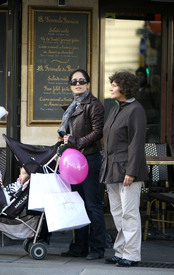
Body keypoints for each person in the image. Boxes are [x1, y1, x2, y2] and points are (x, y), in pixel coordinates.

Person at [100, 71, 148, 267]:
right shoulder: (115, 109)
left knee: (129, 213)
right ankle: (120, 252)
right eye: (111, 84)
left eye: (114, 84)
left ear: (124, 88)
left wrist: (131, 171)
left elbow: (136, 143)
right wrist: (105, 171)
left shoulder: (136, 109)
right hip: (112, 170)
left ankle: (132, 255)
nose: (110, 87)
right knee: (118, 213)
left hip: (127, 171)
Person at [57, 69, 106, 260]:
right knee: (78, 205)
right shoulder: (73, 105)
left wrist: (76, 141)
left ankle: (97, 248)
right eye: (74, 81)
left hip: (90, 159)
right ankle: (79, 247)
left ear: (88, 83)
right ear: (70, 84)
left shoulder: (94, 105)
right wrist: (64, 137)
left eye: (82, 81)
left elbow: (98, 132)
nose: (78, 84)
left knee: (93, 205)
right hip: (74, 162)